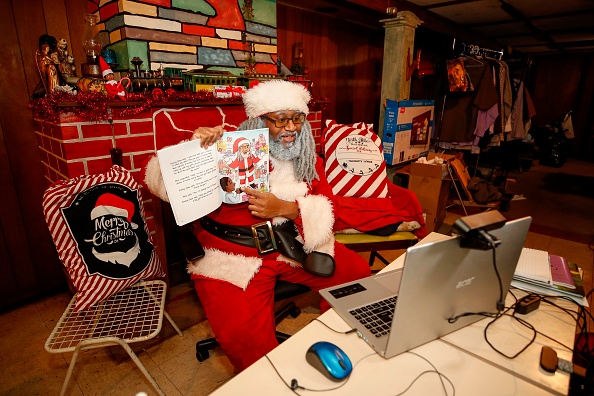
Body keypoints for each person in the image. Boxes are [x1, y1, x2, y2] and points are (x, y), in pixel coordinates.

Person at [144, 80, 371, 372]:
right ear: (258, 121)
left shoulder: (306, 158)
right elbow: (160, 185)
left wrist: (287, 209)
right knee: (247, 344)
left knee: (357, 274)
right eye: (280, 119)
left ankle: (337, 344)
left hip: (291, 246)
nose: (291, 127)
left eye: (297, 118)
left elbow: (329, 209)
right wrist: (195, 150)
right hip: (234, 256)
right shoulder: (228, 151)